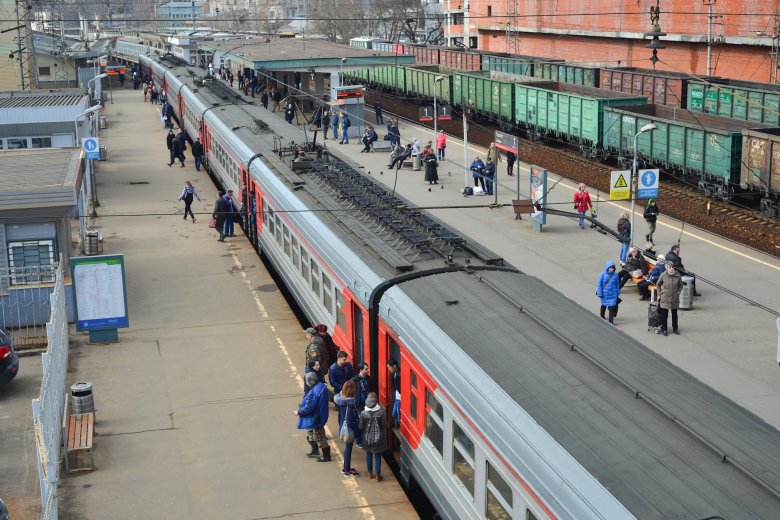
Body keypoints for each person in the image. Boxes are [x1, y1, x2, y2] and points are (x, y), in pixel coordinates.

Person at [295, 372, 331, 462]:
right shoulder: (322, 386)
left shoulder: (314, 391)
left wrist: (299, 412)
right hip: (322, 414)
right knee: (315, 433)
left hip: (316, 417)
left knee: (319, 435)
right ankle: (317, 451)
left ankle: (326, 455)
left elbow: (309, 407)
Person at [333, 380, 360, 476]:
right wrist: (357, 430)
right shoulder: (349, 404)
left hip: (343, 427)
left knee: (347, 447)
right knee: (348, 447)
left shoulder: (341, 400)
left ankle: (346, 468)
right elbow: (349, 421)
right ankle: (347, 470)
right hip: (349, 430)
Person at [358, 392, 387, 482]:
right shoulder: (381, 412)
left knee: (369, 454)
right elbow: (384, 425)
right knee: (378, 455)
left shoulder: (363, 413)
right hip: (379, 438)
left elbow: (360, 426)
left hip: (367, 438)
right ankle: (378, 475)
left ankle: (370, 473)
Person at [656, 261, 683, 336]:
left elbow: (681, 285)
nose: (671, 269)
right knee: (665, 314)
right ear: (667, 268)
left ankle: (675, 328)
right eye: (669, 267)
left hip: (674, 297)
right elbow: (658, 285)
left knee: (674, 314)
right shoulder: (663, 275)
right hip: (665, 297)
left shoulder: (678, 275)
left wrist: (678, 292)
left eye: (672, 267)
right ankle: (664, 329)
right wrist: (659, 294)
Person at [350, 362, 371, 448]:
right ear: (361, 370)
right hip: (359, 405)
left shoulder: (369, 379)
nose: (368, 370)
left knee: (366, 423)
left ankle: (364, 439)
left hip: (368, 405)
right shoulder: (354, 380)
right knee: (360, 423)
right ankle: (358, 440)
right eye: (366, 369)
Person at [386, 359, 401, 427]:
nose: (389, 369)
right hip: (397, 397)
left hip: (400, 398)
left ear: (394, 366)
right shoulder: (393, 374)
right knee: (394, 414)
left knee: (398, 416)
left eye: (389, 367)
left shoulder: (399, 374)